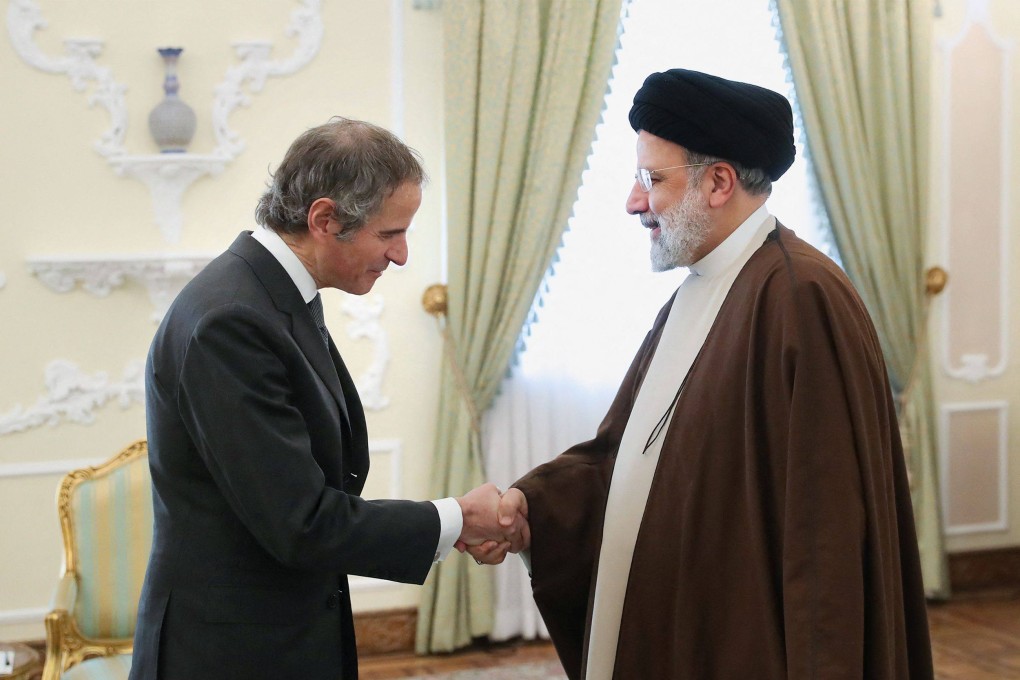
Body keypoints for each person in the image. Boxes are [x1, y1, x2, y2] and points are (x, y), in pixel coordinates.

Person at [467, 70, 934, 679]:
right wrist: (531, 507)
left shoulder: (800, 296)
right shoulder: (700, 289)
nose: (634, 202)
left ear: (718, 182)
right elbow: (625, 456)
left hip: (747, 640)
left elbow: (827, 528)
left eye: (652, 179)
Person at [130, 117, 509, 680]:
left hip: (277, 635)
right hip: (231, 654)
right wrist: (455, 518)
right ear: (325, 219)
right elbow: (300, 522)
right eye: (389, 234)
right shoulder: (231, 320)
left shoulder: (270, 293)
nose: (402, 255)